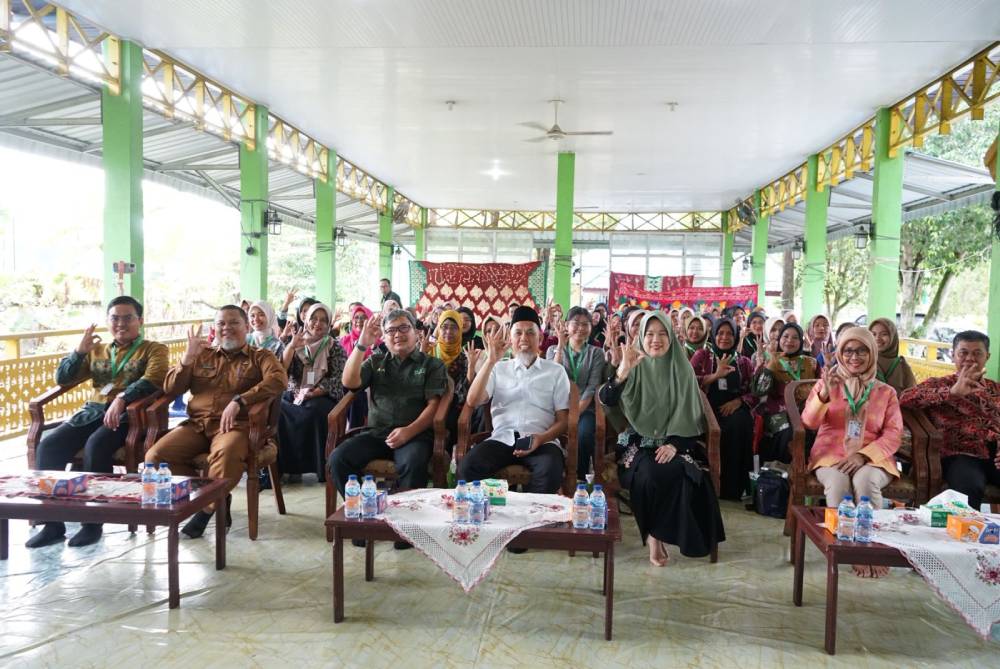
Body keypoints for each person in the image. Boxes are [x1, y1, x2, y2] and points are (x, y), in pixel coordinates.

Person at [26, 296, 169, 548]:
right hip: (92, 412)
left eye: (128, 318)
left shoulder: (154, 349)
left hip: (130, 416)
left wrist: (123, 398)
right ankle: (52, 524)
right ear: (107, 321)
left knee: (96, 445)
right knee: (48, 446)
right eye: (115, 318)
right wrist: (78, 352)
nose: (121, 323)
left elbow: (153, 380)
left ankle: (92, 523)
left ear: (140, 321)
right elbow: (63, 379)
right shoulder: (97, 351)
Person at [145, 306, 288, 538]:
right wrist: (186, 359)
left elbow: (278, 380)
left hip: (235, 426)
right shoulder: (201, 355)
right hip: (197, 425)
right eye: (221, 323)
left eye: (234, 323)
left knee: (227, 454)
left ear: (246, 327)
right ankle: (218, 493)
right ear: (215, 328)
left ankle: (204, 510)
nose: (227, 328)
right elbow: (171, 388)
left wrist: (241, 400)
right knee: (155, 457)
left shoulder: (261, 356)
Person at [598, 312, 725, 566]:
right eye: (649, 334)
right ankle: (655, 537)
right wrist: (621, 372)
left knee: (684, 474)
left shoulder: (682, 368)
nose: (656, 340)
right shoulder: (631, 363)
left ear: (671, 337)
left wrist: (674, 445)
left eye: (662, 334)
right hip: (636, 443)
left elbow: (690, 417)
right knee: (650, 475)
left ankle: (665, 533)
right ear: (641, 337)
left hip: (675, 442)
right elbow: (606, 400)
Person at [327, 310, 448, 522]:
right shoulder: (376, 362)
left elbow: (434, 406)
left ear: (417, 332)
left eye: (404, 328)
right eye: (391, 330)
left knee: (413, 461)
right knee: (338, 459)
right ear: (384, 336)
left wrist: (408, 431)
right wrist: (362, 345)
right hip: (377, 433)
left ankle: (405, 524)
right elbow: (349, 382)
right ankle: (364, 514)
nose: (398, 334)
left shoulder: (431, 365)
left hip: (415, 435)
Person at [802, 327, 902, 578]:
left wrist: (864, 456)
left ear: (872, 353)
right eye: (848, 350)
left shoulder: (886, 392)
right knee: (837, 484)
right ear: (839, 353)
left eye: (861, 350)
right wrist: (824, 393)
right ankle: (843, 550)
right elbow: (809, 422)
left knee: (865, 482)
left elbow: (893, 433)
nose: (854, 356)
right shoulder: (827, 383)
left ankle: (873, 551)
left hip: (873, 457)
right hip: (831, 454)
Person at [458, 306, 570, 494]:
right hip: (502, 439)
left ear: (540, 338)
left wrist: (540, 438)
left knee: (550, 470)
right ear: (510, 339)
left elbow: (563, 421)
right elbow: (473, 401)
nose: (523, 338)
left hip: (541, 441)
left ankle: (533, 521)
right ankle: (490, 519)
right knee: (468, 467)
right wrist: (490, 361)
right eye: (517, 333)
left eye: (530, 333)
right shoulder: (498, 368)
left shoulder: (555, 372)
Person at [900, 331, 1000, 509]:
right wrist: (951, 393)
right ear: (953, 355)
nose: (970, 359)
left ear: (987, 356)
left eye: (977, 353)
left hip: (994, 453)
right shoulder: (939, 384)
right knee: (969, 487)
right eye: (963, 353)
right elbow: (905, 399)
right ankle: (966, 534)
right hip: (959, 454)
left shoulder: (996, 390)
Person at [278, 303, 347, 482]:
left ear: (329, 324)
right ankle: (285, 467)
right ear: (305, 320)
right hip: (295, 393)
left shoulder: (335, 346)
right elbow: (281, 371)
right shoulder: (293, 342)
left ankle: (319, 467)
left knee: (316, 411)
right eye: (314, 319)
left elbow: (339, 378)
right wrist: (291, 347)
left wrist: (316, 391)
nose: (318, 323)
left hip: (322, 395)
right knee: (279, 410)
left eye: (324, 320)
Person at [690, 318, 758, 500]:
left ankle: (733, 489)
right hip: (706, 411)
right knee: (727, 426)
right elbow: (689, 382)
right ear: (713, 335)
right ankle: (715, 485)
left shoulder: (743, 362)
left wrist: (739, 401)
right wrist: (715, 376)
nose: (724, 337)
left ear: (736, 336)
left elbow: (754, 392)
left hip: (735, 412)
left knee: (741, 422)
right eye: (720, 333)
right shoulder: (702, 355)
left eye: (729, 333)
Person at [547, 307, 607, 480]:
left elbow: (592, 386)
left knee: (585, 433)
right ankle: (555, 477)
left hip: (584, 407)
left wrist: (574, 413)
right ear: (566, 325)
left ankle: (579, 477)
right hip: (555, 407)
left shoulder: (596, 353)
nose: (580, 328)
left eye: (585, 324)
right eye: (576, 323)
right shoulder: (553, 350)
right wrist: (560, 345)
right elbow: (552, 375)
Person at [751, 322, 818, 463]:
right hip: (779, 413)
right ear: (779, 339)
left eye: (795, 338)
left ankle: (811, 469)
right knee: (789, 432)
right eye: (785, 336)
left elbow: (823, 387)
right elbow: (759, 391)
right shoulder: (772, 361)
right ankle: (784, 474)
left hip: (807, 411)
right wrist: (770, 364)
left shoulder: (811, 363)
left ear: (801, 342)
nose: (789, 341)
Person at [427, 309, 470, 446]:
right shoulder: (429, 351)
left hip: (452, 405)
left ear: (460, 330)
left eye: (454, 328)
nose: (448, 332)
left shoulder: (464, 358)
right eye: (444, 327)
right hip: (425, 402)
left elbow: (462, 392)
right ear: (438, 328)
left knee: (452, 420)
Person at [869, 318, 916, 395]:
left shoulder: (902, 366)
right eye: (873, 334)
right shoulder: (863, 363)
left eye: (884, 334)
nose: (877, 338)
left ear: (893, 336)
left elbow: (912, 395)